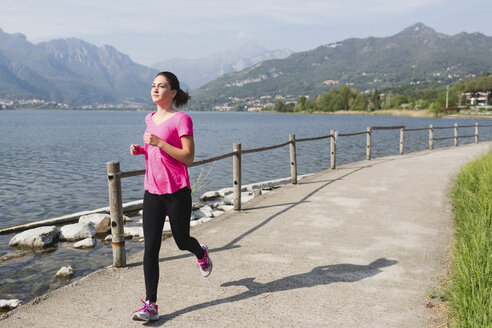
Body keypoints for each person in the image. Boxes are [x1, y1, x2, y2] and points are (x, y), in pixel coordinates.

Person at [129, 71, 212, 322]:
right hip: (152, 191)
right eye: (153, 85)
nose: (155, 90)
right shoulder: (149, 117)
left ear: (173, 92)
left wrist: (158, 143)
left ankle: (201, 253)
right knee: (150, 248)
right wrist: (142, 149)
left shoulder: (182, 119)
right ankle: (150, 304)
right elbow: (156, 151)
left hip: (177, 191)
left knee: (181, 240)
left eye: (162, 86)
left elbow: (187, 156)